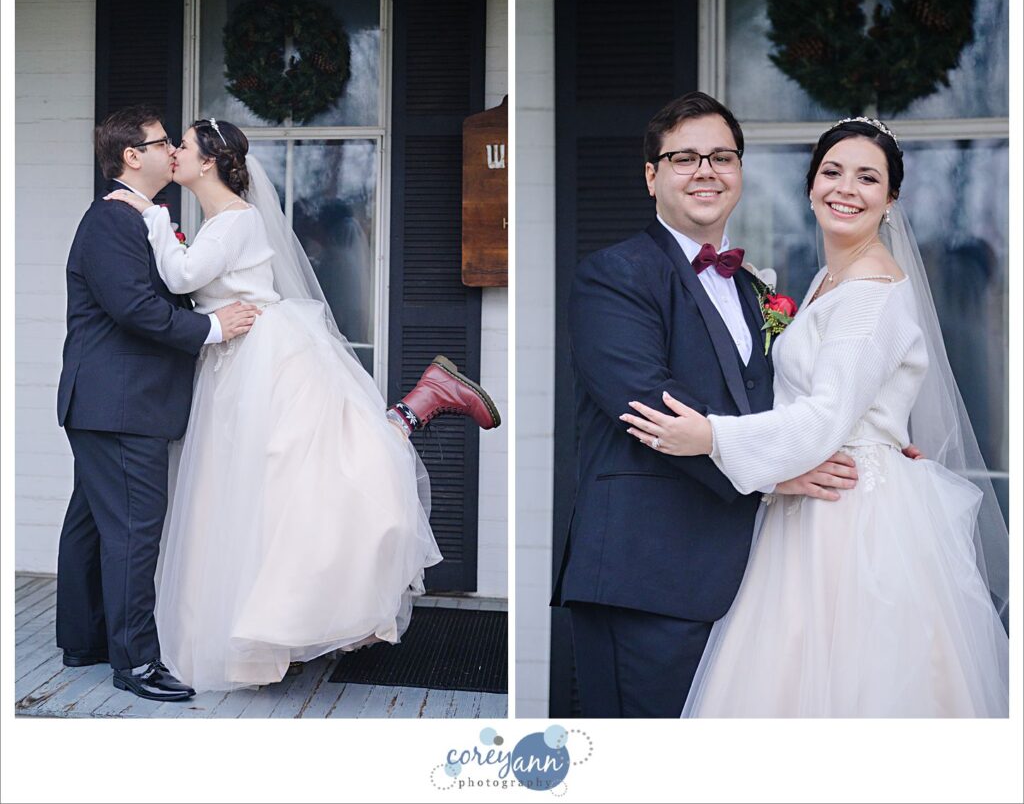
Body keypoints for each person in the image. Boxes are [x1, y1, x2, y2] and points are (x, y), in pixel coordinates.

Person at [620, 117, 1009, 717]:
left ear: (891, 199)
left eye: (868, 178)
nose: (845, 188)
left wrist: (711, 436)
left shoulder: (871, 291)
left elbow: (827, 415)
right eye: (831, 172)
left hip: (852, 520)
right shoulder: (832, 278)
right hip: (809, 508)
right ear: (809, 187)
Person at [106, 117, 500, 693]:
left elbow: (182, 272)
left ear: (208, 161)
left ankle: (422, 403)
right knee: (270, 491)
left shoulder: (235, 219)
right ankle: (418, 404)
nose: (172, 155)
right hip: (234, 360)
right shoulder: (217, 219)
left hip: (265, 357)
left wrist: (150, 216)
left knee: (310, 480)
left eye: (181, 147)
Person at [551, 92, 865, 718]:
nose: (705, 172)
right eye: (684, 158)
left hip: (748, 579)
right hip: (648, 574)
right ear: (652, 176)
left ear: (740, 173)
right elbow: (652, 408)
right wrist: (778, 472)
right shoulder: (613, 274)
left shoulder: (756, 289)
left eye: (721, 157)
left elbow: (791, 397)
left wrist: (865, 442)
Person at [56, 105, 260, 702]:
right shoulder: (112, 221)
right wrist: (213, 329)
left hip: (109, 401)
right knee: (134, 533)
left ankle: (85, 639)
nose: (172, 148)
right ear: (131, 156)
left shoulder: (135, 217)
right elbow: (134, 310)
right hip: (120, 402)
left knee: (93, 524)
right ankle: (137, 663)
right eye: (161, 141)